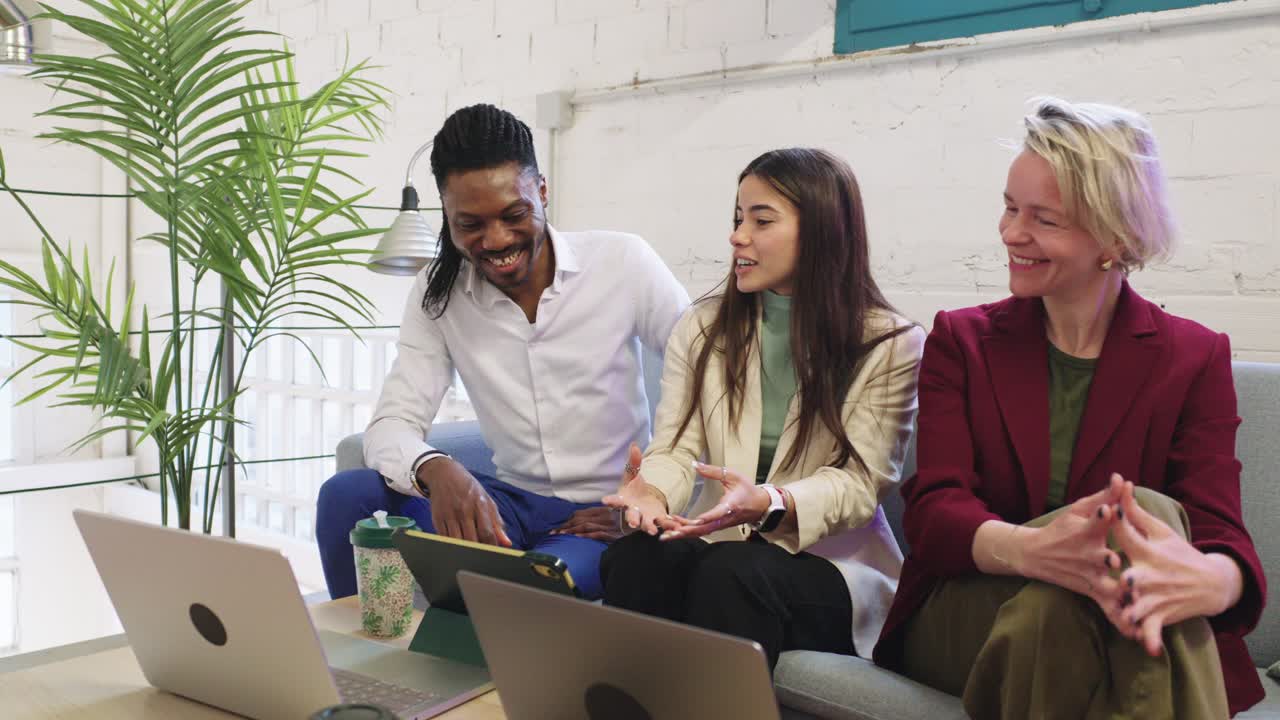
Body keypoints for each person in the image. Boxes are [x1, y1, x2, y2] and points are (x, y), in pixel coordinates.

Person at [873, 98, 1267, 718]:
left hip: (1092, 617)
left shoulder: (1194, 357)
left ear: (1116, 234)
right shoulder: (960, 340)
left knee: (1111, 559)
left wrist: (1212, 580)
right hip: (972, 603)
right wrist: (1037, 553)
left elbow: (1217, 530)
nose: (1010, 233)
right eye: (1009, 207)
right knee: (1135, 525)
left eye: (1043, 219)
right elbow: (934, 513)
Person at [315, 104, 689, 601]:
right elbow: (391, 425)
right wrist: (436, 469)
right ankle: (362, 661)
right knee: (346, 496)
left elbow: (711, 381)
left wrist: (651, 499)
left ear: (543, 192)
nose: (496, 240)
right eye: (469, 224)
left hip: (604, 515)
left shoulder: (622, 262)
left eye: (514, 215)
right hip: (507, 504)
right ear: (446, 217)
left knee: (536, 582)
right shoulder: (438, 293)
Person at [599, 147, 924, 668]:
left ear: (821, 230)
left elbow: (861, 485)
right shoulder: (702, 327)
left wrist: (771, 501)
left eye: (761, 220)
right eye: (737, 218)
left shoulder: (890, 342)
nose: (737, 235)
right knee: (638, 557)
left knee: (732, 573)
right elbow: (677, 448)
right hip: (726, 549)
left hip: (832, 567)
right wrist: (654, 493)